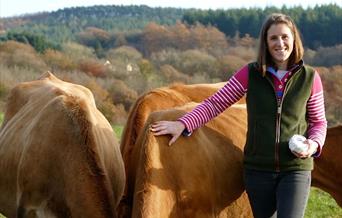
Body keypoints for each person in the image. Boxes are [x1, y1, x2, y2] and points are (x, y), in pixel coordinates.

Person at [151, 13, 327, 218]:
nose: (280, 43)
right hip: (258, 170)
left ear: (294, 39)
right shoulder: (250, 73)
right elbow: (216, 103)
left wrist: (313, 144)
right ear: (265, 42)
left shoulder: (310, 77)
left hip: (295, 168)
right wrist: (184, 123)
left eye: (285, 37)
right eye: (273, 38)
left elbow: (318, 121)